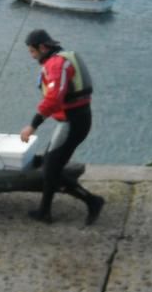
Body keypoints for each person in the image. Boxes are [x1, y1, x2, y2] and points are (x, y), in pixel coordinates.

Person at [20, 29, 104, 225]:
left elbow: (54, 98)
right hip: (74, 120)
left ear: (42, 47)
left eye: (32, 52)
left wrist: (33, 125)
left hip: (73, 122)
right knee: (51, 166)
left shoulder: (57, 65)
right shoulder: (60, 58)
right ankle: (45, 212)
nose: (32, 57)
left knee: (51, 169)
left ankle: (92, 201)